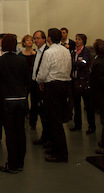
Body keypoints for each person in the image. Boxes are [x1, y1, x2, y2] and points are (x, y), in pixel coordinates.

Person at [0, 34, 30, 174]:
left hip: (7, 101)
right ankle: (20, 163)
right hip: (21, 100)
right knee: (21, 132)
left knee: (10, 133)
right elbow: (27, 80)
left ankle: (12, 164)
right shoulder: (22, 60)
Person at [36, 28, 72, 163]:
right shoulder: (66, 50)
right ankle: (56, 147)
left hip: (52, 87)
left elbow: (43, 72)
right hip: (64, 85)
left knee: (54, 120)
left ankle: (61, 153)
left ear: (49, 38)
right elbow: (69, 67)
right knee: (58, 118)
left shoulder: (49, 52)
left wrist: (40, 81)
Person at [70, 33, 96, 134]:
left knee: (88, 105)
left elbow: (84, 63)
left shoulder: (86, 51)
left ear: (83, 41)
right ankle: (77, 124)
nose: (77, 41)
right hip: (75, 80)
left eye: (79, 39)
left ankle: (91, 126)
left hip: (84, 81)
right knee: (76, 104)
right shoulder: (74, 52)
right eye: (76, 39)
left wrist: (74, 63)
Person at [31, 30, 50, 144]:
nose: (36, 40)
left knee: (45, 113)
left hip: (43, 85)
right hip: (35, 84)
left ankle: (47, 137)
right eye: (35, 38)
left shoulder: (47, 52)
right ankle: (44, 136)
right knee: (37, 109)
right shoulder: (36, 51)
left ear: (44, 39)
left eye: (38, 38)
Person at [19, 34, 36, 123]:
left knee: (34, 98)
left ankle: (33, 115)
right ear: (24, 43)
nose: (30, 42)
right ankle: (26, 112)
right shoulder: (21, 54)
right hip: (24, 79)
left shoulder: (36, 53)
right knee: (25, 97)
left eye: (31, 40)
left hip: (33, 78)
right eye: (27, 40)